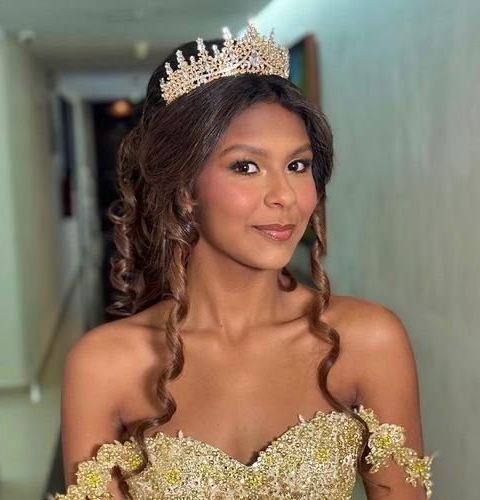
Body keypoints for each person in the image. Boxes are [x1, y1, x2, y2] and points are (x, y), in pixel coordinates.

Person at [54, 25, 432, 499]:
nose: (285, 196)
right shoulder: (104, 365)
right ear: (184, 190)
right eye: (246, 167)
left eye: (297, 165)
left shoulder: (370, 340)